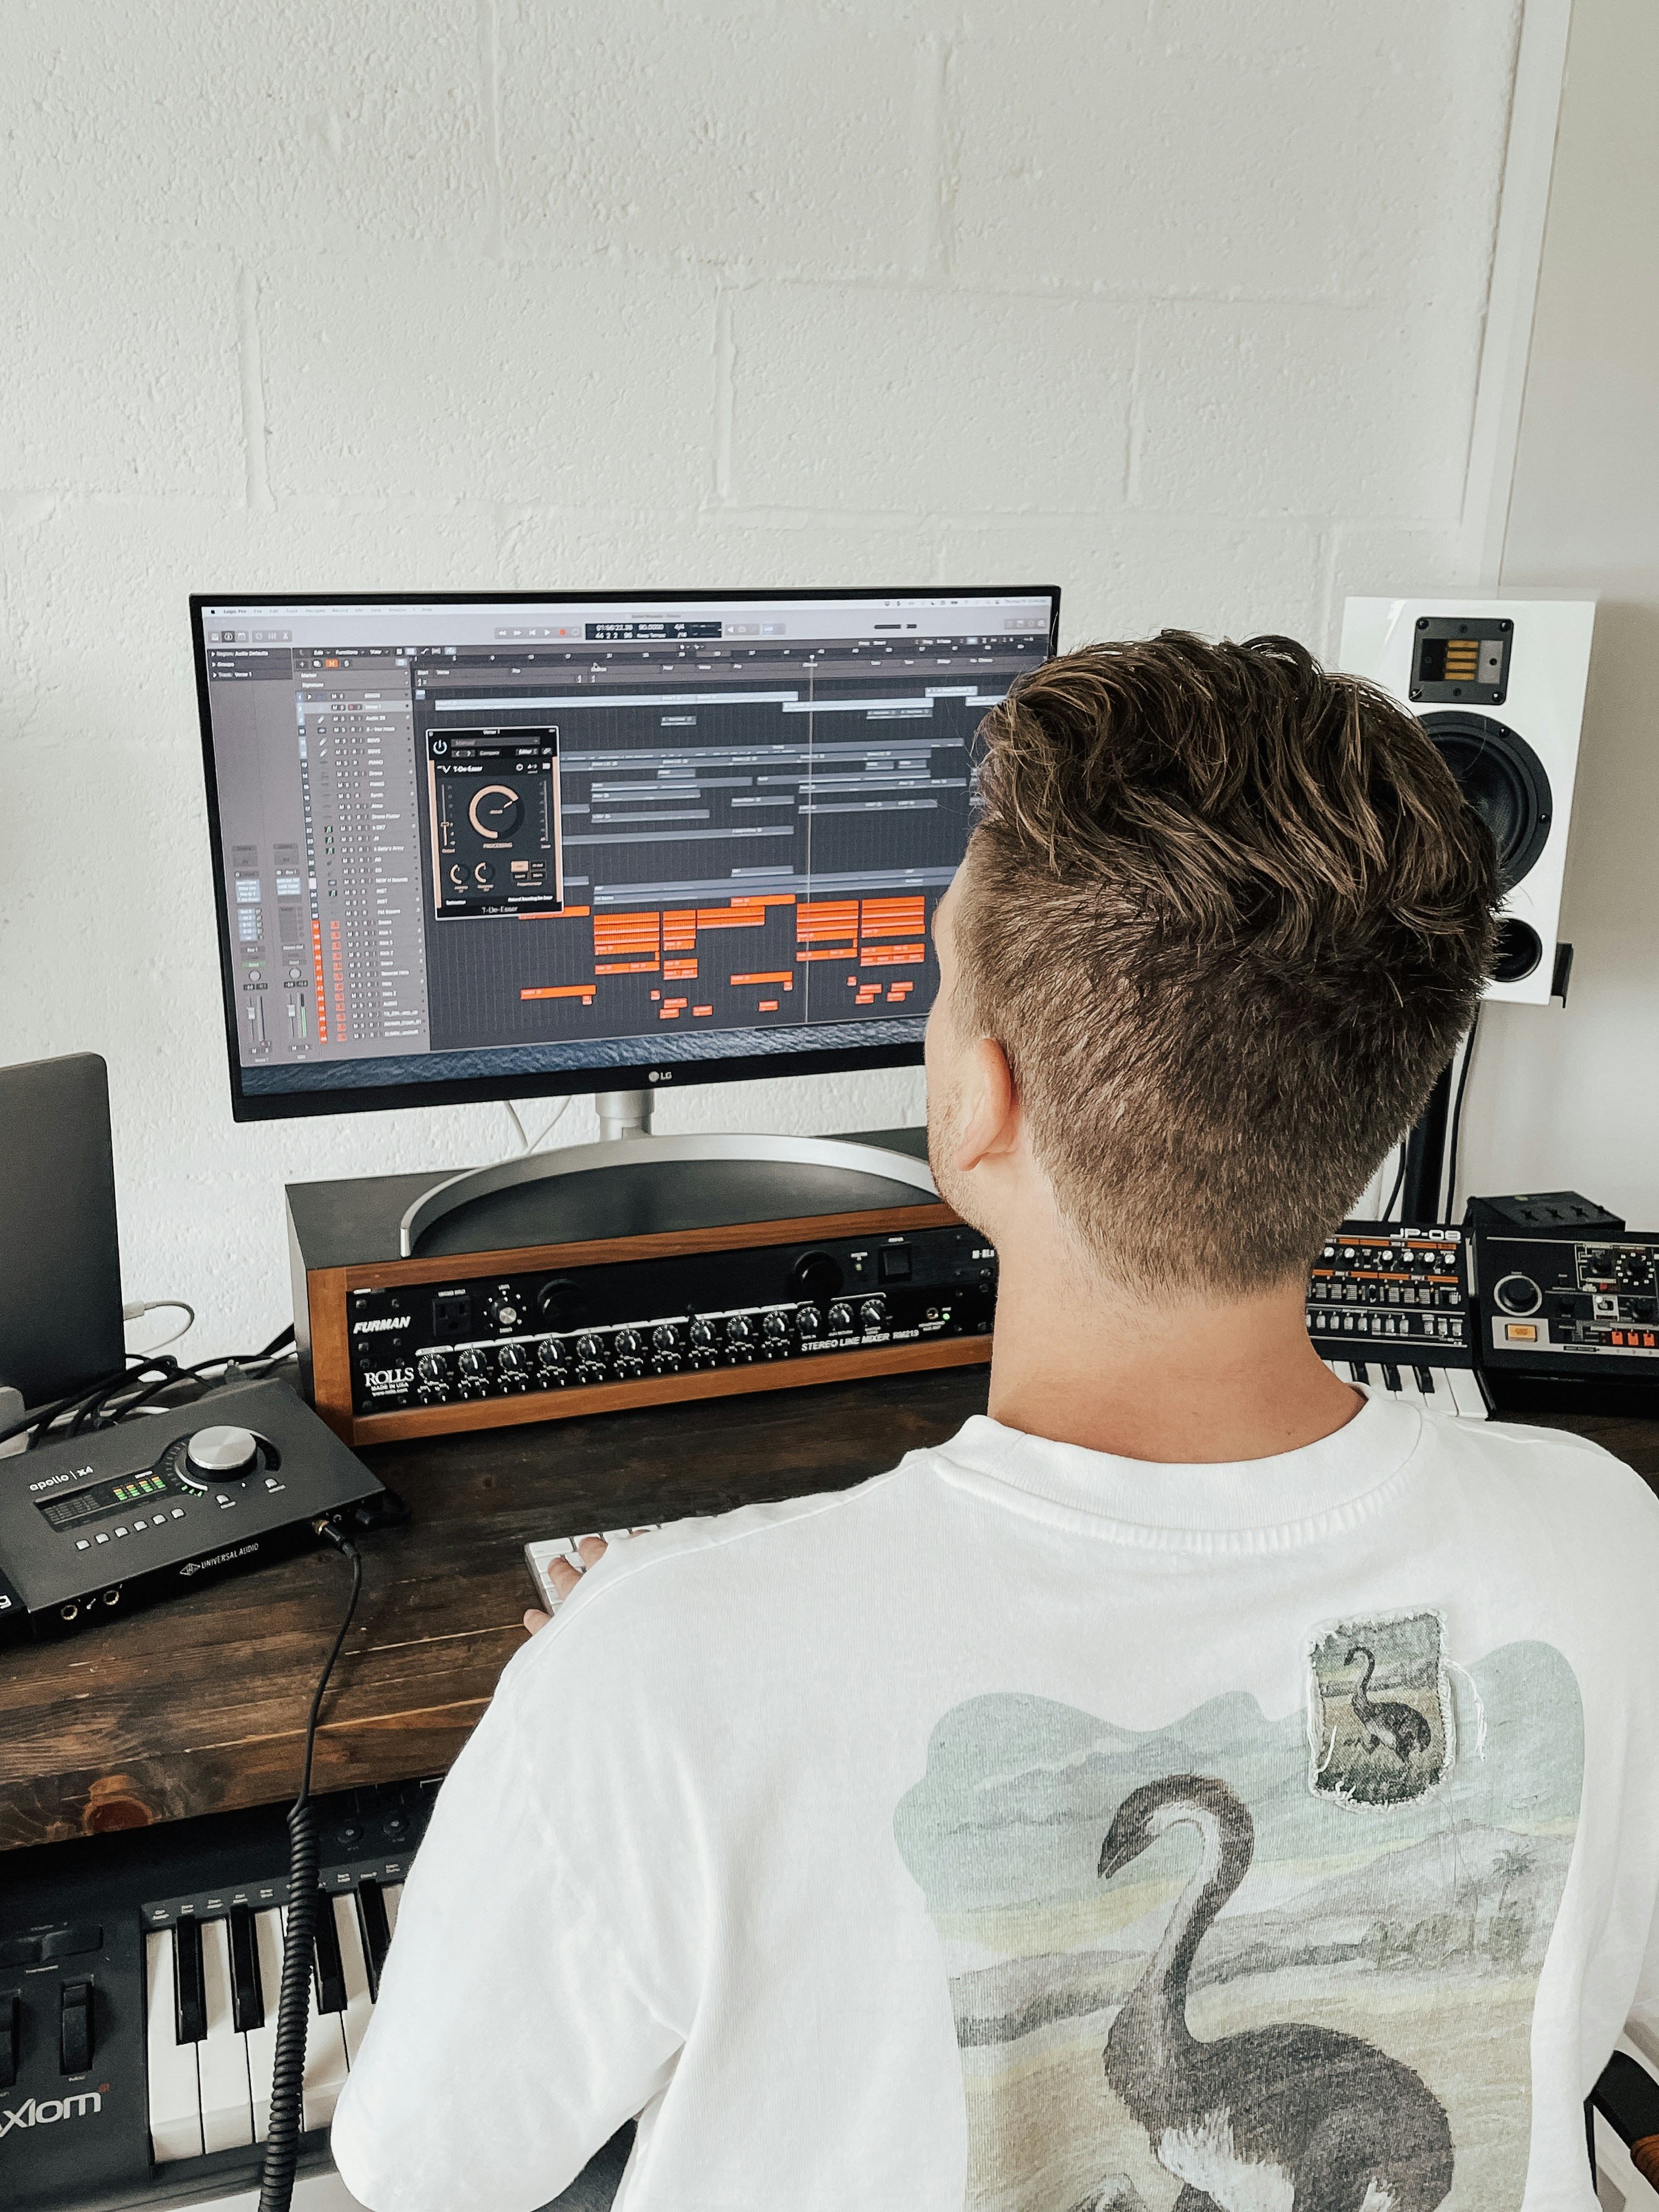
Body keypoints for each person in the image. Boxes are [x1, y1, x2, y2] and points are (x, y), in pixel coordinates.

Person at [331, 634, 1659, 2212]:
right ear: (1381, 1111)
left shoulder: (648, 1670)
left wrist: (565, 1748)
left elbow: (414, 2170)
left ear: (979, 1101)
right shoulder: (1605, 1538)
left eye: (940, 974)